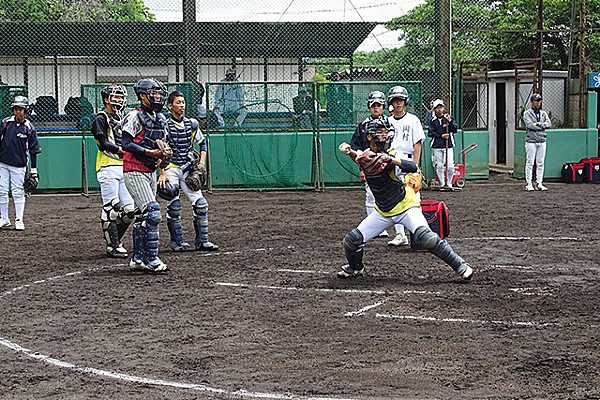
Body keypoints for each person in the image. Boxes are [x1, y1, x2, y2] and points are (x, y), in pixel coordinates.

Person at [337, 117, 473, 281]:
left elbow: (412, 167)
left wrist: (391, 160)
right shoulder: (366, 155)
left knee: (426, 238)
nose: (384, 136)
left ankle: (461, 265)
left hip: (405, 206)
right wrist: (349, 150)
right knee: (351, 242)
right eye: (379, 133)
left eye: (386, 132)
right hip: (383, 211)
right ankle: (355, 268)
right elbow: (361, 158)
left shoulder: (394, 154)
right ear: (369, 137)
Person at [121, 78, 170, 272]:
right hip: (133, 169)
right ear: (142, 95)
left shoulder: (161, 119)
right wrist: (150, 153)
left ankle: (138, 259)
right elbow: (126, 143)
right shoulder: (134, 115)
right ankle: (152, 259)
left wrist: (162, 166)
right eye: (153, 93)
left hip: (149, 170)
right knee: (153, 212)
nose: (157, 97)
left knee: (142, 216)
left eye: (159, 93)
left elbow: (163, 146)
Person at [160, 90, 219, 252]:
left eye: (183, 102)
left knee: (201, 204)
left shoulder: (192, 124)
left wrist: (201, 162)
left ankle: (202, 241)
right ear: (170, 105)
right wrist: (162, 173)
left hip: (187, 167)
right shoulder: (165, 125)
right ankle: (176, 242)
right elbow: (159, 150)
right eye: (178, 102)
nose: (182, 105)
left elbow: (202, 143)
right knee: (175, 205)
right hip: (170, 168)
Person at [92, 84, 135, 258]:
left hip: (123, 166)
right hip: (107, 166)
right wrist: (122, 150)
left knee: (130, 211)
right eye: (115, 97)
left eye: (121, 97)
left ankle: (115, 238)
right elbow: (103, 143)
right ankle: (113, 245)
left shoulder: (123, 119)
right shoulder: (100, 118)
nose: (119, 100)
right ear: (106, 99)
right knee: (112, 209)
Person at [386, 85, 426, 247]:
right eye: (395, 101)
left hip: (408, 161)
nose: (398, 104)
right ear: (391, 103)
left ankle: (420, 234)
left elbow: (417, 144)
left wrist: (415, 167)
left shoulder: (413, 120)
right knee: (395, 198)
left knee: (414, 198)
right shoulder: (387, 121)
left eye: (401, 100)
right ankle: (400, 234)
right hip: (391, 161)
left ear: (406, 101)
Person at [349, 90, 391, 238]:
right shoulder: (363, 126)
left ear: (383, 107)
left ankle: (399, 232)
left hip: (388, 163)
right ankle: (377, 228)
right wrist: (362, 168)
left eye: (379, 105)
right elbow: (356, 148)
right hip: (370, 165)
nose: (376, 108)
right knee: (371, 194)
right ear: (369, 106)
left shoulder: (389, 123)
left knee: (393, 194)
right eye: (373, 105)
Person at [0, 96, 41, 231]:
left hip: (19, 165)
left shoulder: (29, 128)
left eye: (21, 109)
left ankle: (19, 220)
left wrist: (33, 169)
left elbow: (34, 150)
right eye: (16, 109)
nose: (18, 112)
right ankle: (4, 219)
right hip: (3, 163)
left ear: (25, 110)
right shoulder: (6, 123)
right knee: (2, 190)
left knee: (18, 192)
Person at [523, 93, 551, 191]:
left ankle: (539, 183)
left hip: (542, 140)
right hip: (531, 141)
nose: (538, 103)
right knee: (530, 162)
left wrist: (538, 124)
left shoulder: (543, 113)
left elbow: (549, 124)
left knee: (540, 162)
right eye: (536, 101)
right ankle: (529, 183)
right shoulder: (527, 113)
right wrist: (541, 126)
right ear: (532, 102)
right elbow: (530, 125)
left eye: (539, 101)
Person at [428, 99, 458, 190]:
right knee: (439, 165)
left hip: (448, 145)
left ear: (443, 108)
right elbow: (430, 133)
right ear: (434, 109)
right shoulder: (433, 121)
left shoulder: (449, 118)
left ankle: (449, 183)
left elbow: (455, 129)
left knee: (450, 166)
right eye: (437, 108)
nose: (439, 110)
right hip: (437, 146)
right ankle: (442, 183)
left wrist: (450, 122)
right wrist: (441, 136)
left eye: (441, 107)